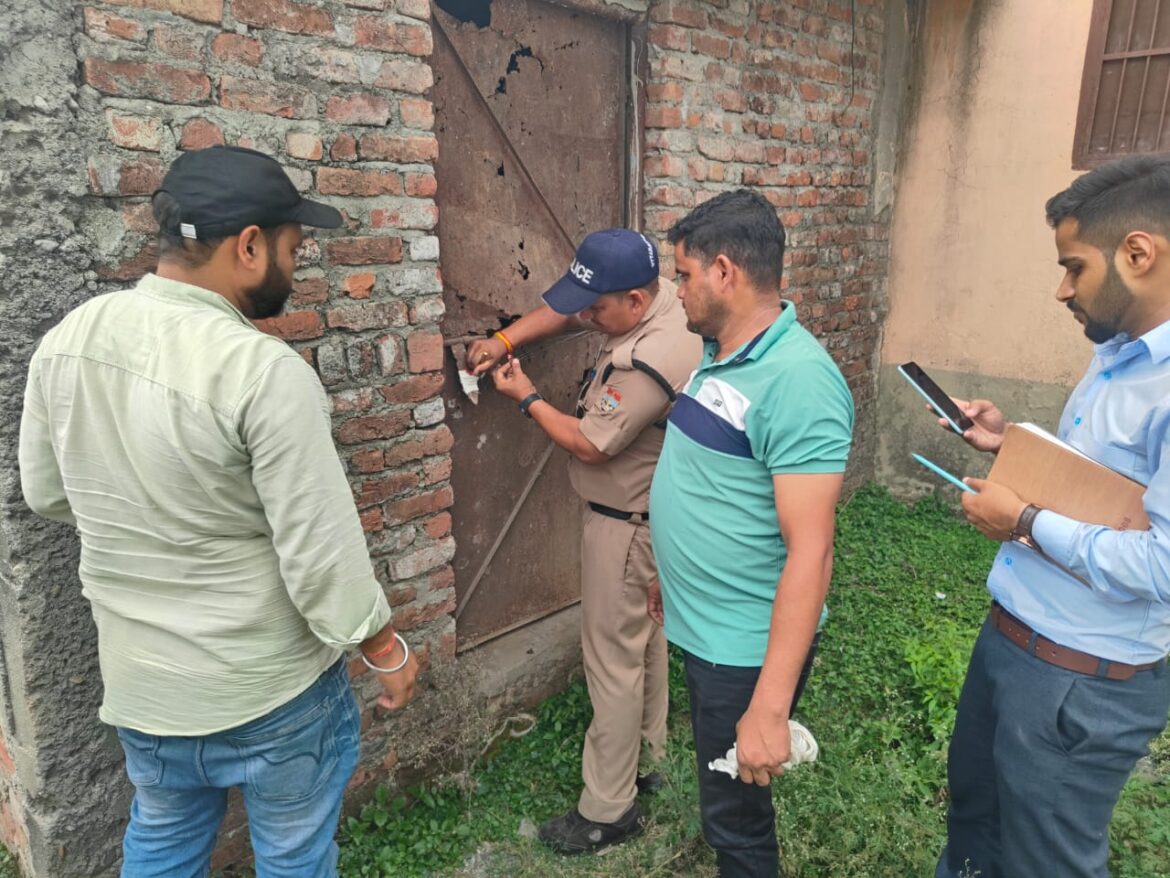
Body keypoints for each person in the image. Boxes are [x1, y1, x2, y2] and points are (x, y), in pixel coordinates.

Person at [18, 145, 419, 878]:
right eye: (293, 250)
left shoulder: (67, 343)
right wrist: (384, 649)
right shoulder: (261, 372)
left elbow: (47, 494)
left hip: (145, 689)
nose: (294, 271)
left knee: (163, 844)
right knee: (294, 857)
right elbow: (322, 557)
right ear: (249, 245)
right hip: (270, 692)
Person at [936, 156, 1170, 878]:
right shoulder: (1120, 352)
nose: (1061, 288)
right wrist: (1012, 443)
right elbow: (1107, 482)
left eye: (1074, 266)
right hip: (1017, 640)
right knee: (976, 833)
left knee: (1046, 863)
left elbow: (1163, 564)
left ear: (1138, 252)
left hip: (1082, 681)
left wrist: (1025, 521)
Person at [465, 228, 702, 854]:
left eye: (598, 308)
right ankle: (649, 762)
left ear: (634, 298)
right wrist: (506, 338)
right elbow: (571, 305)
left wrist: (527, 397)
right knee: (643, 643)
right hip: (652, 521)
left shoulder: (653, 359)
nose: (587, 318)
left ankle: (606, 810)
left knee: (612, 665)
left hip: (624, 527)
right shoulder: (670, 300)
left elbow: (592, 444)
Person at [647, 189, 855, 877]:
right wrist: (671, 577)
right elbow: (712, 483)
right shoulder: (724, 350)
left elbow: (813, 551)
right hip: (708, 627)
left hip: (744, 647)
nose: (676, 292)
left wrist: (768, 707)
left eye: (682, 275)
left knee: (734, 824)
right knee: (724, 807)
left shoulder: (798, 380)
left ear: (725, 272)